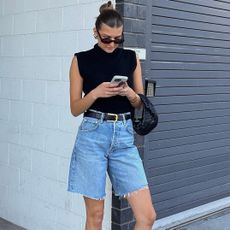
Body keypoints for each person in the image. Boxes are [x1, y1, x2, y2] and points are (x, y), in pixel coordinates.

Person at [68, 1, 156, 229]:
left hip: (124, 138)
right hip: (92, 136)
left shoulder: (130, 58)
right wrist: (96, 92)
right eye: (106, 38)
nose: (111, 44)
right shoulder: (80, 59)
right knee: (95, 217)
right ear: (95, 32)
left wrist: (129, 93)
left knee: (147, 216)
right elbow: (75, 108)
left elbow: (139, 103)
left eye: (118, 39)